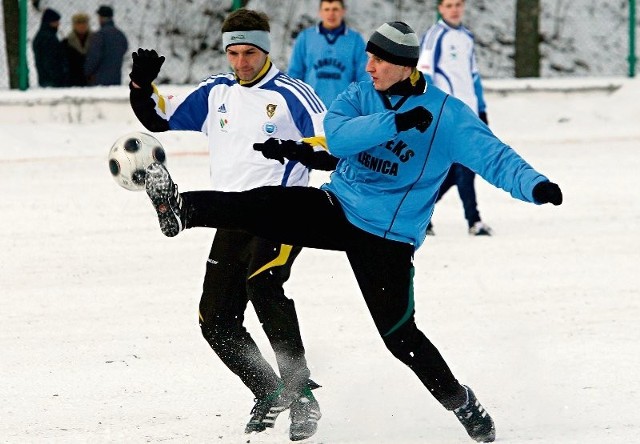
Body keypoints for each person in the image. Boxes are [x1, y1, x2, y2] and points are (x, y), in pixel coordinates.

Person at [141, 21, 563, 443]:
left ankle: (461, 401)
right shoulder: (360, 95)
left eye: (379, 60)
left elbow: (496, 157)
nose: (370, 66)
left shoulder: (446, 116)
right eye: (368, 57)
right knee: (266, 204)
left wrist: (535, 186)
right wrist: (394, 123)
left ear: (404, 65)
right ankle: (183, 208)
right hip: (337, 206)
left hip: (387, 236)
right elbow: (339, 138)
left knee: (400, 338)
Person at [127, 8, 326, 442]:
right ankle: (269, 389)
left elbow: (330, 140)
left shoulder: (294, 93)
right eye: (233, 53)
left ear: (267, 50)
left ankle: (301, 390)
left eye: (249, 53)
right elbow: (159, 116)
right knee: (214, 320)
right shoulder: (216, 92)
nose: (240, 62)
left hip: (283, 212)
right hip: (231, 216)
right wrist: (141, 85)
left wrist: (296, 148)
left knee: (262, 283)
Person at [417, 0, 492, 236]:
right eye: (449, 5)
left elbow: (473, 76)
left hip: (468, 112)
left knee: (453, 170)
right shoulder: (434, 35)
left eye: (458, 4)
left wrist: (481, 109)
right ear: (440, 8)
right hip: (448, 113)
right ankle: (474, 220)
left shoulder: (467, 37)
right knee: (465, 164)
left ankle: (418, 213)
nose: (454, 9)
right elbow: (425, 75)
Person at [288, 0, 369, 107]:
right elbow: (294, 73)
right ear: (320, 12)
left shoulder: (355, 39)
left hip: (344, 108)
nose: (331, 13)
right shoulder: (305, 37)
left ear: (343, 11)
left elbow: (363, 76)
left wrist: (361, 104)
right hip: (311, 107)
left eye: (335, 9)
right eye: (327, 9)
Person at [84, 5, 128, 86]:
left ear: (100, 18)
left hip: (98, 80)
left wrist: (87, 72)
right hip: (116, 79)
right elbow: (124, 49)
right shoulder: (120, 34)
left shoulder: (99, 35)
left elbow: (94, 57)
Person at [32, 8, 68, 87]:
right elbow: (50, 59)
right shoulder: (48, 37)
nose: (58, 24)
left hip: (46, 77)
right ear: (49, 22)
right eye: (56, 22)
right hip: (51, 79)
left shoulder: (44, 35)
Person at [63, 13, 93, 87]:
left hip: (91, 79)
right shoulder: (67, 43)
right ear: (74, 25)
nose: (81, 26)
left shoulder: (95, 40)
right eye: (78, 23)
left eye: (84, 23)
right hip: (73, 80)